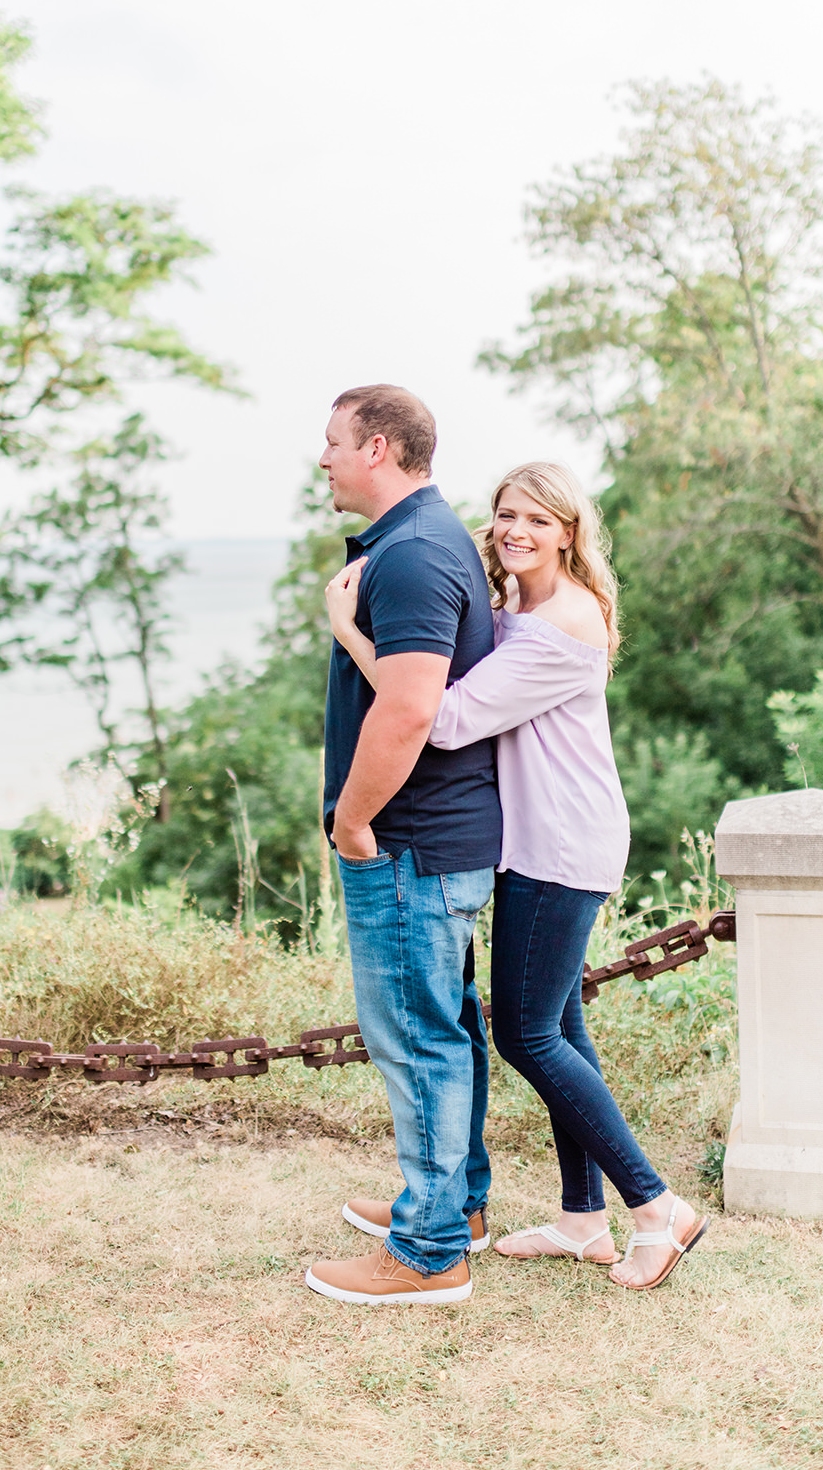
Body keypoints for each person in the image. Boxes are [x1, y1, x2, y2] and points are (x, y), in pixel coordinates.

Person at [326, 460, 709, 1292]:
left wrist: (353, 631)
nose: (515, 531)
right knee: (560, 1031)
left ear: (569, 531)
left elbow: (451, 717)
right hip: (536, 840)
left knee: (526, 1035)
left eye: (537, 520)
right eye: (504, 515)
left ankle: (654, 1207)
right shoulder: (521, 608)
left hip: (560, 846)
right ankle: (581, 1220)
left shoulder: (564, 623)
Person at [304, 385, 503, 1307]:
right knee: (443, 1029)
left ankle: (427, 1254)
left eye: (334, 443)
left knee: (415, 1037)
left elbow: (414, 706)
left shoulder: (415, 553)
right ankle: (451, 1207)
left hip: (408, 843)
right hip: (430, 841)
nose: (324, 459)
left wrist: (350, 821)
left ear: (377, 448)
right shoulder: (419, 539)